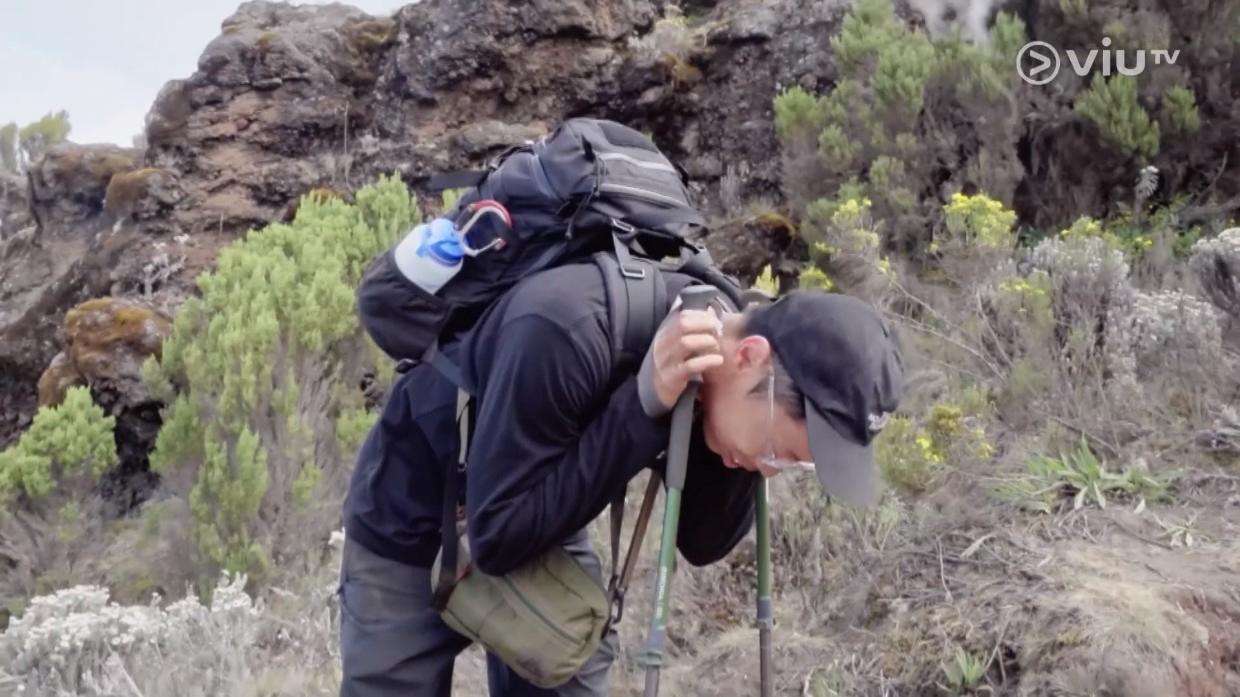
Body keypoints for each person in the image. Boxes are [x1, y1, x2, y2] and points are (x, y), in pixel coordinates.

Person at [337, 259, 903, 697]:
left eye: (792, 465)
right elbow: (497, 537)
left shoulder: (717, 361)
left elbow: (703, 542)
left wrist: (723, 445)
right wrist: (643, 404)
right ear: (750, 356)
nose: (768, 468)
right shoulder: (567, 327)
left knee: (573, 669)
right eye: (778, 451)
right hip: (414, 510)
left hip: (539, 510)